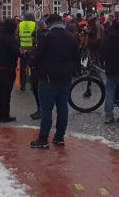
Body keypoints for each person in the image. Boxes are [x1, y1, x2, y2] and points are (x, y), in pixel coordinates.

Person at [29, 13, 79, 149]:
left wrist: (32, 59)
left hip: (48, 78)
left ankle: (43, 139)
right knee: (62, 108)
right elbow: (77, 56)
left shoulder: (47, 38)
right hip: (65, 78)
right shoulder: (70, 37)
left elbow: (37, 57)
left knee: (46, 110)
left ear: (50, 24)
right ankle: (59, 136)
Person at [0, 19, 19, 123]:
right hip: (8, 67)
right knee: (6, 92)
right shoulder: (10, 38)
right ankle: (5, 115)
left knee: (0, 91)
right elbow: (15, 53)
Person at [17, 13, 36, 90]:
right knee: (32, 67)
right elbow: (36, 36)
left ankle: (23, 85)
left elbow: (17, 35)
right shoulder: (34, 24)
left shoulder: (20, 24)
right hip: (31, 48)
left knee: (23, 67)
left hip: (23, 47)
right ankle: (32, 85)